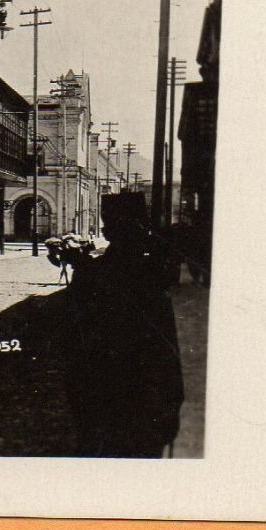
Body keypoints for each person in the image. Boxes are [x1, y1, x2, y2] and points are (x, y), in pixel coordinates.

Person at [63, 192, 184, 457]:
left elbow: (85, 301)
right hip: (146, 370)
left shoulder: (120, 264)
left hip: (114, 365)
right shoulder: (153, 261)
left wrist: (80, 265)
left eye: (109, 224)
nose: (106, 230)